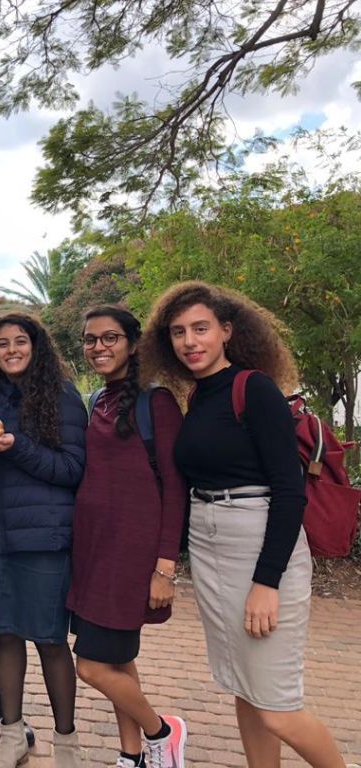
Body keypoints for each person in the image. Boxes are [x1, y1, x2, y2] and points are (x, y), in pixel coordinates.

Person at [141, 281, 357, 768]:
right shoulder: (198, 397)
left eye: (201, 329)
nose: (190, 341)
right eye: (179, 332)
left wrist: (267, 582)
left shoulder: (253, 389)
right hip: (210, 544)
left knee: (278, 707)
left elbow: (289, 491)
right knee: (244, 687)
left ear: (227, 332)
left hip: (256, 541)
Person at [0, 311, 87, 768]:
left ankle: (67, 744)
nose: (11, 350)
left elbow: (72, 469)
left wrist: (18, 447)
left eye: (20, 342)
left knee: (50, 641)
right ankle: (11, 735)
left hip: (43, 540)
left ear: (36, 347)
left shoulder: (62, 397)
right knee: (2, 636)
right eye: (2, 344)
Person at [66, 305, 187, 768]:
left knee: (92, 666)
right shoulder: (97, 399)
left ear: (133, 344)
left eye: (110, 337)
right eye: (91, 339)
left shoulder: (155, 403)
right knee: (118, 662)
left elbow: (176, 490)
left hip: (129, 559)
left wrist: (165, 568)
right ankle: (130, 754)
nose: (99, 347)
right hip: (93, 554)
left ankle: (162, 731)